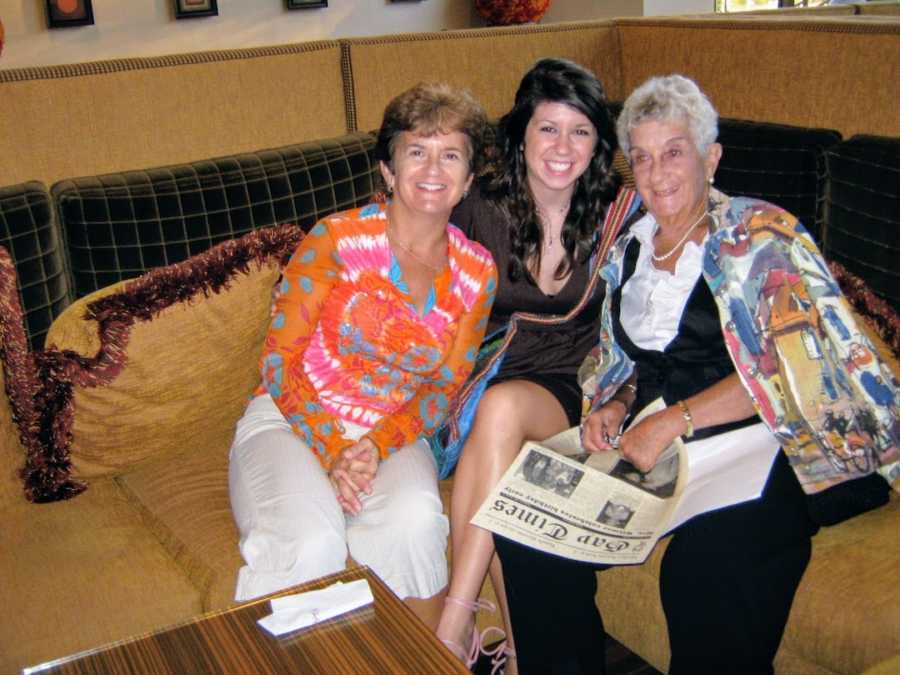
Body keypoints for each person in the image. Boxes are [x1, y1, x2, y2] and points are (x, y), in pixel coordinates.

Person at [494, 74, 899, 674]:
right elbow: (635, 361)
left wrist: (677, 420)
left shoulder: (760, 235)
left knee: (706, 570)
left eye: (674, 152)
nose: (657, 173)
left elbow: (795, 370)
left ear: (711, 158)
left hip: (769, 445)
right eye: (642, 157)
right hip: (667, 451)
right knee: (530, 537)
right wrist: (617, 402)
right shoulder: (629, 247)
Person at [228, 82, 498, 629]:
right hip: (290, 420)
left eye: (450, 155)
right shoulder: (335, 238)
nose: (432, 168)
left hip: (392, 432)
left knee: (417, 520)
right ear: (388, 170)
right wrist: (333, 448)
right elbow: (279, 364)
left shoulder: (478, 271)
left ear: (468, 180)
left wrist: (372, 446)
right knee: (310, 540)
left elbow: (443, 387)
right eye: (415, 151)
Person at [434, 58, 630, 671]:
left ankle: (454, 622)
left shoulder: (621, 214)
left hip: (572, 385)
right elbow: (428, 290)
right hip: (484, 375)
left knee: (503, 411)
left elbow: (647, 317)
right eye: (548, 128)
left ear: (599, 141)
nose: (562, 147)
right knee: (502, 455)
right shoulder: (480, 206)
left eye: (580, 131)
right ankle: (518, 650)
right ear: (522, 131)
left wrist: (623, 397)